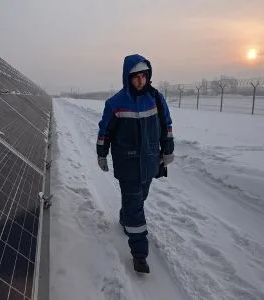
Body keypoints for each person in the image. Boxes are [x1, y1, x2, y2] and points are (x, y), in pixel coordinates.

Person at [96, 54, 174, 273]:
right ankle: (140, 254)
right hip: (127, 164)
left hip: (149, 162)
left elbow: (166, 124)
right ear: (127, 78)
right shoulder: (115, 103)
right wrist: (101, 153)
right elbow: (105, 131)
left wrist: (168, 149)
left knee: (140, 198)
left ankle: (125, 217)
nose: (140, 81)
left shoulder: (156, 99)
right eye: (135, 77)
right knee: (135, 206)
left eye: (143, 76)